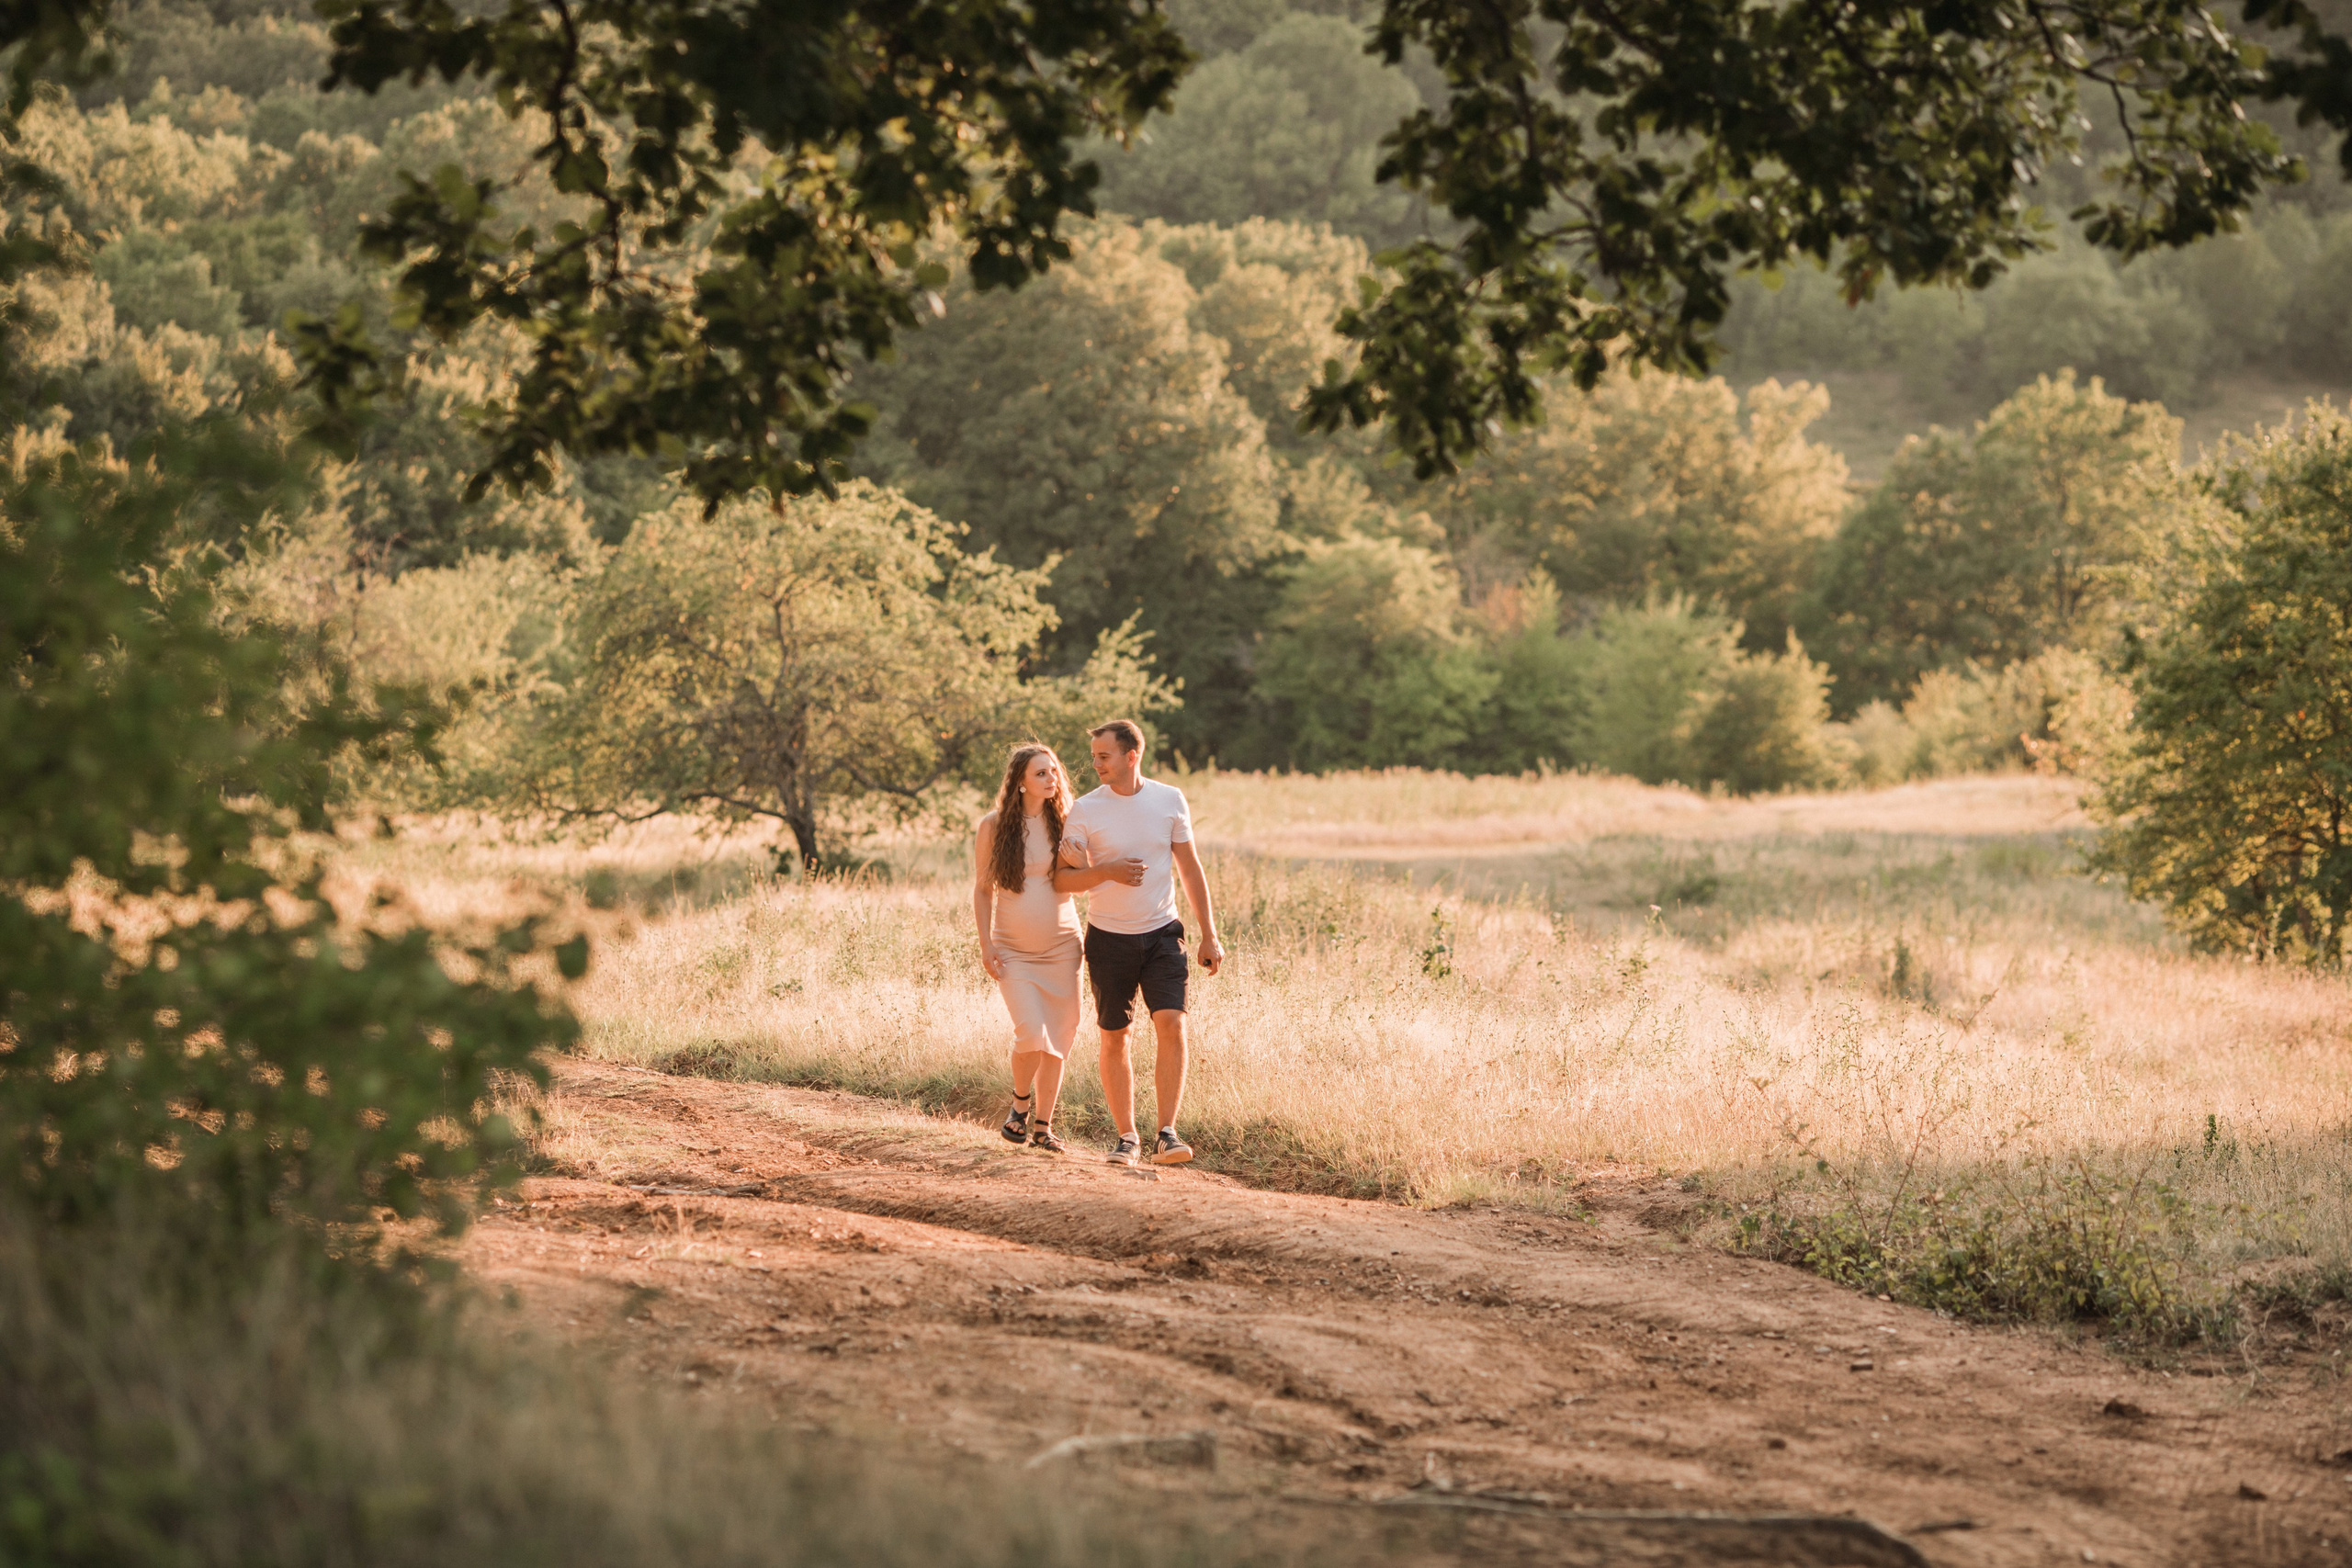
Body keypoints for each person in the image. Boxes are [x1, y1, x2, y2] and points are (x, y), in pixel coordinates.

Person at [1056, 719, 1225, 1166]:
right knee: (1116, 1036)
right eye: (1093, 756)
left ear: (1132, 756)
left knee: (1172, 1022)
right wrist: (1107, 871)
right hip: (1108, 938)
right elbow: (1063, 878)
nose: (1095, 764)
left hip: (1163, 933)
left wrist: (1209, 933)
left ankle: (1167, 1133)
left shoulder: (1169, 799)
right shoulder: (1086, 810)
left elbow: (1189, 868)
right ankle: (1126, 1137)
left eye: (1103, 756)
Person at [971, 743, 1092, 1155]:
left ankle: (1043, 1127)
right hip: (1014, 951)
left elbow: (1084, 877)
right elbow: (983, 890)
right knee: (1031, 1033)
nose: (1051, 779)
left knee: (1061, 1035)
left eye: (1054, 772)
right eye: (1041, 773)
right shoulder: (992, 826)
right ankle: (1020, 1103)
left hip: (1063, 947)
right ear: (1020, 782)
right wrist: (986, 944)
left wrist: (1081, 861)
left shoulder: (1067, 821)